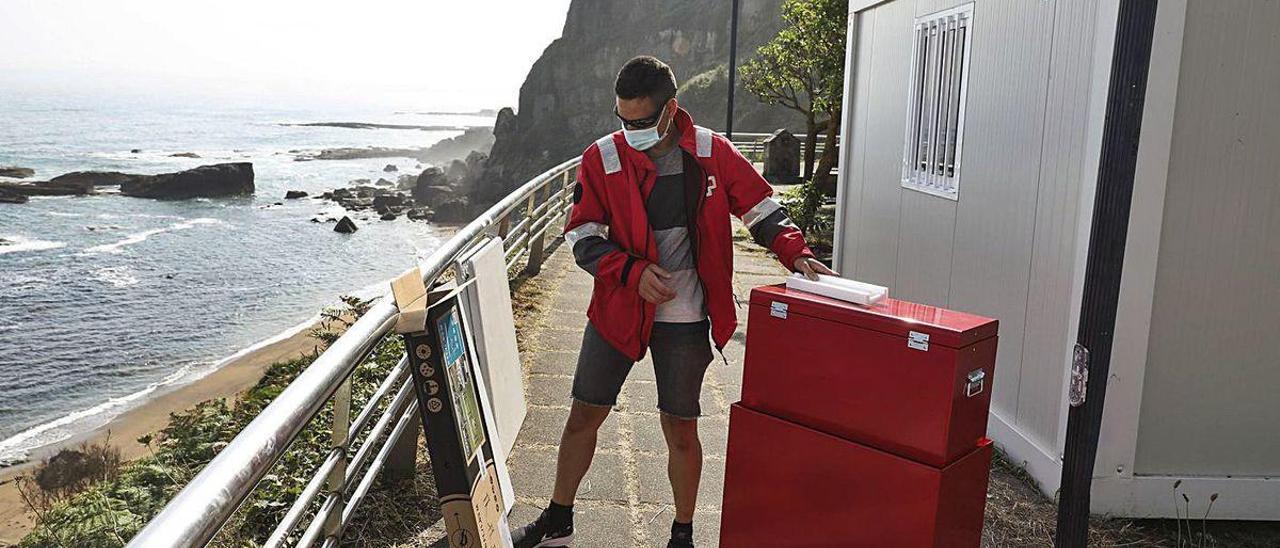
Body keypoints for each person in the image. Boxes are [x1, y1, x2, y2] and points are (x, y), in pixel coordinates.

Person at [512, 55, 834, 548]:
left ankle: (682, 533)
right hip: (618, 308)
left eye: (641, 121)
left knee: (680, 427)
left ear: (671, 108)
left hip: (685, 318)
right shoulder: (602, 157)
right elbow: (581, 235)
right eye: (623, 119)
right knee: (583, 414)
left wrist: (798, 254)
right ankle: (558, 517)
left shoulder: (711, 152)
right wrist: (632, 273)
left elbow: (761, 208)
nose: (631, 129)